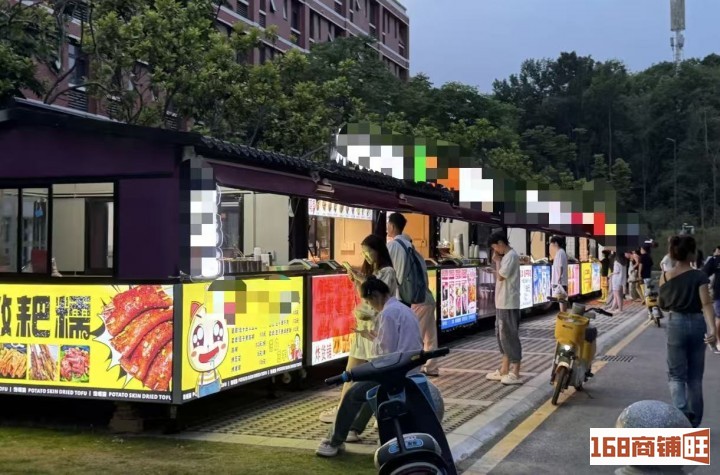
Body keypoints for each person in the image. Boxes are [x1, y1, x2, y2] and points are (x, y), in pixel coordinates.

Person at [316, 276, 424, 457]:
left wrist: (371, 343)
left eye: (367, 301)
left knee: (352, 394)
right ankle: (352, 429)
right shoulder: (403, 309)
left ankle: (334, 441)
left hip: (395, 371)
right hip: (408, 368)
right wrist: (372, 337)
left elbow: (385, 352)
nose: (369, 306)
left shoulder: (388, 314)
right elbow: (392, 344)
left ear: (375, 296)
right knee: (369, 392)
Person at [319, 234, 397, 423]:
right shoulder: (373, 271)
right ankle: (343, 411)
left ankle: (380, 414)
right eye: (364, 253)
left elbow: (378, 292)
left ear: (378, 251)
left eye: (369, 252)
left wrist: (360, 278)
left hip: (376, 328)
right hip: (364, 327)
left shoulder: (387, 272)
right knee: (351, 372)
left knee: (377, 374)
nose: (366, 256)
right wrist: (356, 280)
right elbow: (366, 294)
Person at [658, 235, 717, 428]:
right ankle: (694, 423)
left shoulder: (665, 276)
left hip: (675, 323)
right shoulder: (699, 276)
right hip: (698, 323)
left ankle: (682, 416)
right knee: (695, 377)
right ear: (691, 253)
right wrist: (712, 330)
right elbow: (706, 304)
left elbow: (662, 305)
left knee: (676, 376)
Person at [386, 213, 440, 377]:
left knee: (413, 337)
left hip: (413, 300)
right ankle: (431, 367)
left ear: (392, 226)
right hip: (427, 297)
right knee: (429, 336)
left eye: (388, 224)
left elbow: (388, 273)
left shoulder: (393, 246)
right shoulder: (412, 248)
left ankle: (410, 370)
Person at [486, 232, 523, 385]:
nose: (495, 250)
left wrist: (496, 262)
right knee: (502, 336)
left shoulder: (511, 256)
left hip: (508, 302)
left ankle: (515, 371)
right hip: (502, 302)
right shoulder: (507, 257)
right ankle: (504, 369)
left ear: (501, 243)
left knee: (509, 336)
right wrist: (498, 261)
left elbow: (501, 276)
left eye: (495, 247)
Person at [701, 245, 720, 353]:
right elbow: (704, 273)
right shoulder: (715, 260)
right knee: (719, 318)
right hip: (719, 293)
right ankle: (718, 341)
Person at [549, 236, 568, 312]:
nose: (551, 246)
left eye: (552, 244)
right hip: (561, 280)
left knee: (561, 299)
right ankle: (564, 314)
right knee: (562, 299)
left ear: (556, 243)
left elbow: (560, 266)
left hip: (560, 280)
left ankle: (563, 314)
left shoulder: (560, 252)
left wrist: (559, 277)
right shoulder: (561, 252)